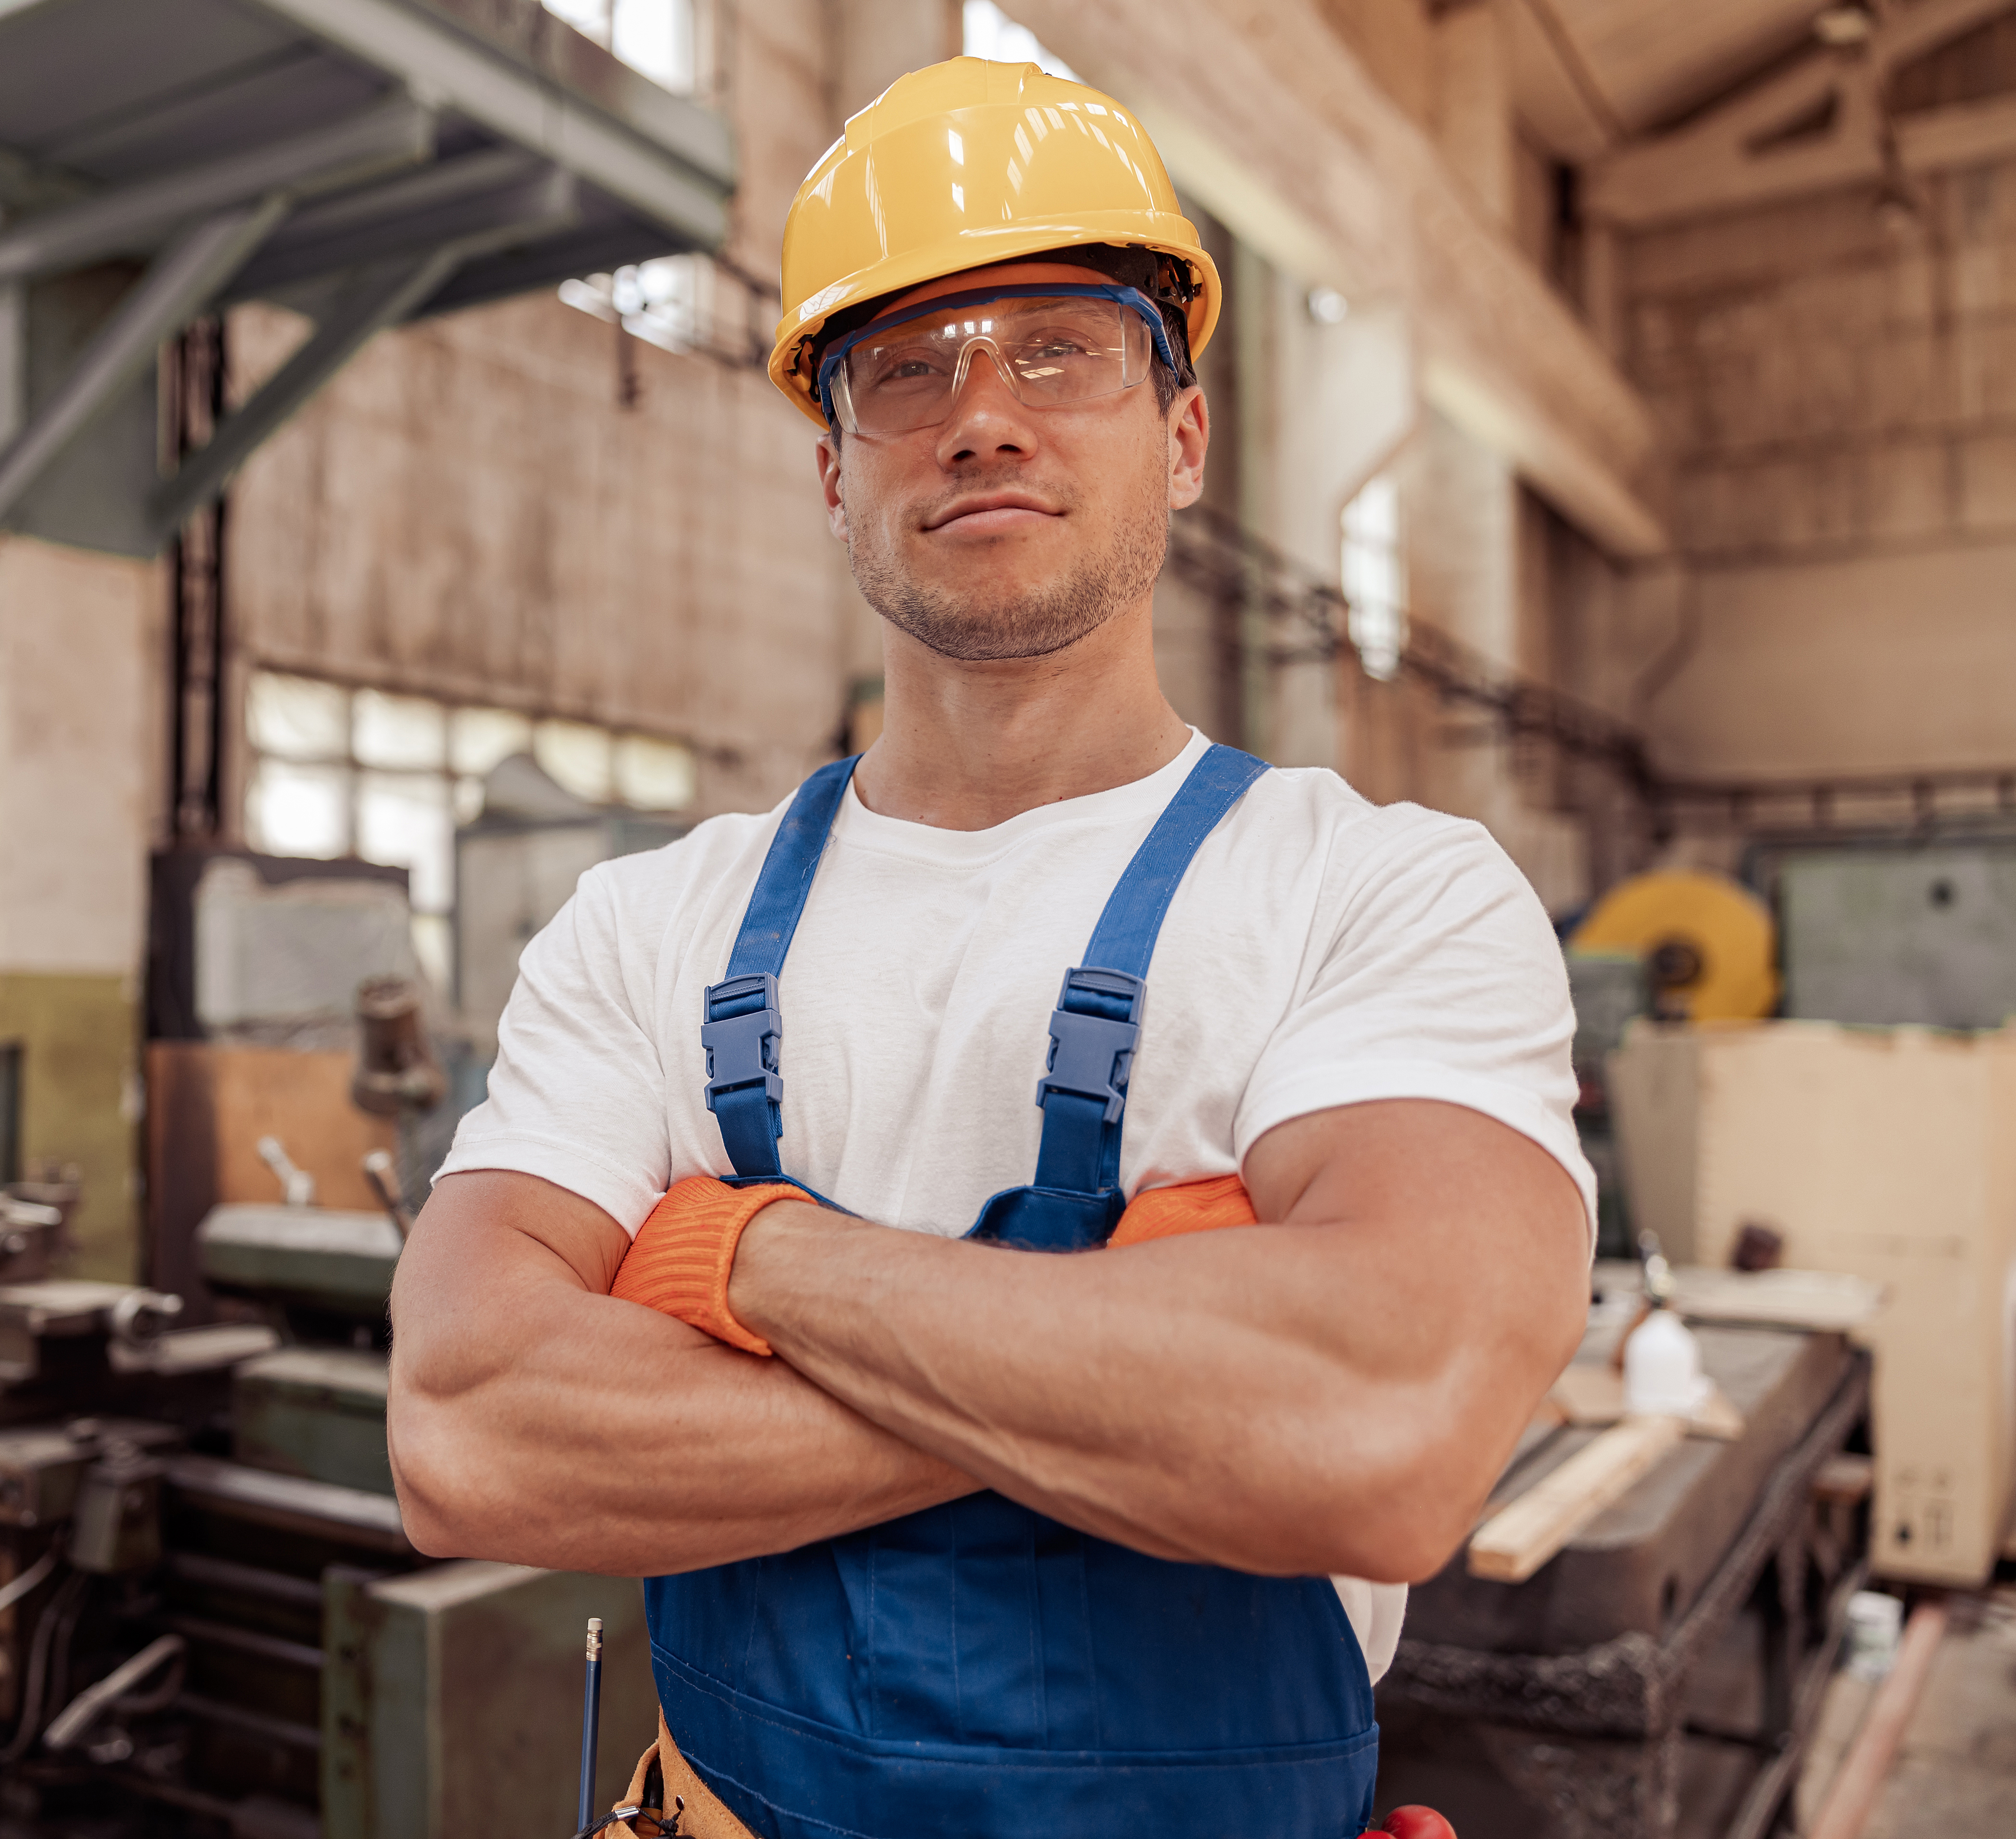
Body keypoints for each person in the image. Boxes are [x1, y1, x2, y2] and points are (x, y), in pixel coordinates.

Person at [388, 57, 1591, 1839]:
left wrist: (752, 1264)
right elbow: (468, 1432)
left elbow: (1378, 1431)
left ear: (1183, 433)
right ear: (834, 467)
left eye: (1059, 349)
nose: (982, 414)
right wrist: (1163, 1369)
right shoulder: (649, 928)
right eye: (908, 368)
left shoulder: (1381, 892)